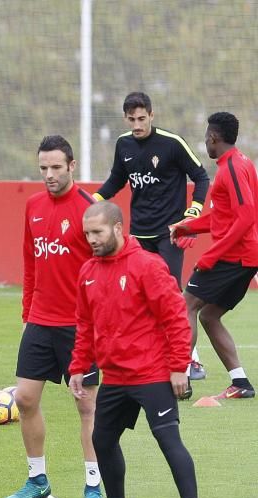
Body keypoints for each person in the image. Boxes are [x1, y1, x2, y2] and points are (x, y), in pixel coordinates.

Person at [70, 201, 205, 498]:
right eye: (87, 234)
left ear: (117, 229)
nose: (92, 240)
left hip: (152, 372)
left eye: (97, 232)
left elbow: (176, 317)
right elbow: (85, 324)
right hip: (115, 376)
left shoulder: (147, 265)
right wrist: (78, 367)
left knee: (167, 438)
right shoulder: (87, 271)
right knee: (102, 438)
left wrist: (178, 367)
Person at [3, 135, 103, 498]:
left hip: (79, 327)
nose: (49, 174)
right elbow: (31, 261)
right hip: (40, 322)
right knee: (24, 399)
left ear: (72, 166)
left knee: (86, 407)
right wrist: (28, 312)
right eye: (43, 167)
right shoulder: (33, 205)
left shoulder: (89, 209)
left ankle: (94, 485)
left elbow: (104, 266)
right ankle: (37, 480)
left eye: (56, 168)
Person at [94, 92, 210, 380]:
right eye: (131, 119)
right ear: (125, 118)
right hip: (139, 235)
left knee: (171, 296)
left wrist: (194, 211)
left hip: (169, 233)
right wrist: (91, 200)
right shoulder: (124, 144)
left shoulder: (171, 144)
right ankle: (148, 356)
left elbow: (201, 176)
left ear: (152, 115)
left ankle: (190, 360)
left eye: (142, 118)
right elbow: (116, 181)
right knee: (139, 297)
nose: (137, 124)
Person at [169, 111, 258, 399]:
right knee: (208, 315)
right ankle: (240, 382)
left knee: (187, 304)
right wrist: (186, 227)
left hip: (237, 257)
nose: (205, 142)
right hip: (245, 256)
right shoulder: (241, 162)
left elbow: (246, 217)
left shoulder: (232, 168)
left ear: (213, 137)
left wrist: (211, 256)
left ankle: (181, 381)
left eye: (206, 138)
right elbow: (224, 217)